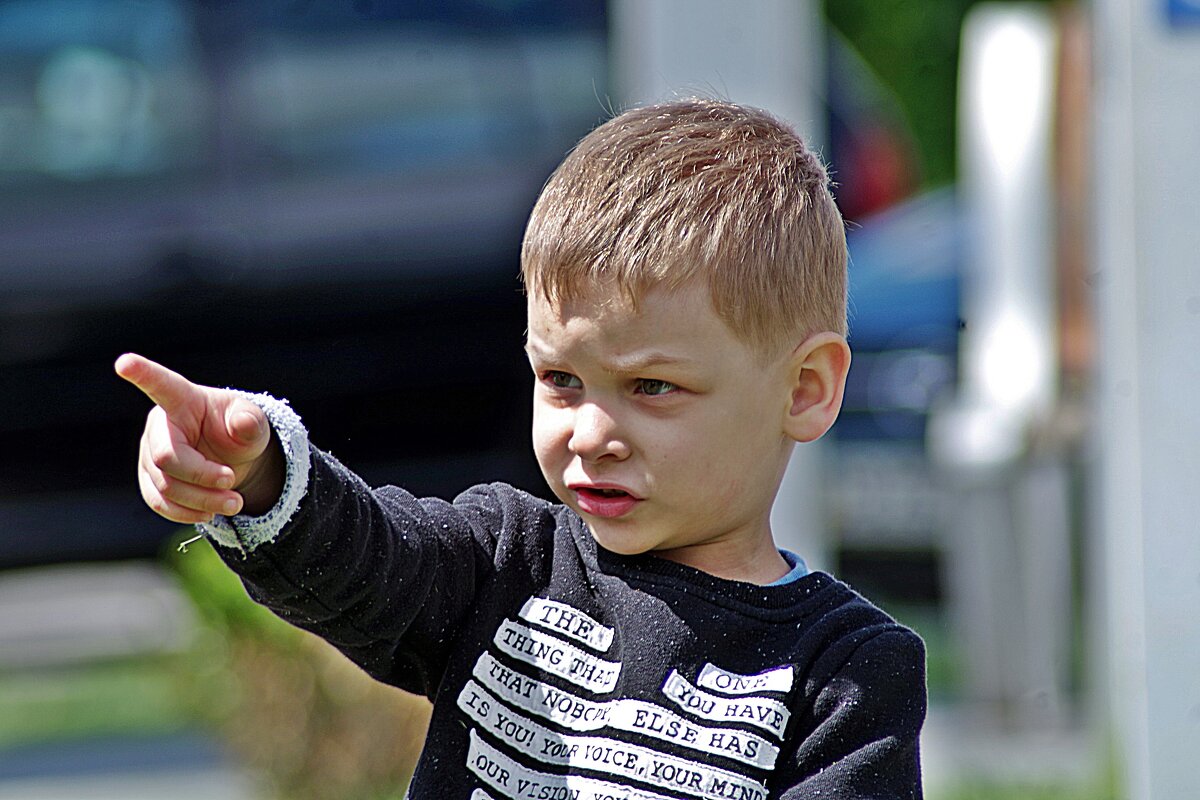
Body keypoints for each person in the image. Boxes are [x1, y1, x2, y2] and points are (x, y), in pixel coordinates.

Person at [116, 98, 926, 799]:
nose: (591, 434)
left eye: (652, 388)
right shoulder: (507, 564)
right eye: (563, 379)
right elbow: (360, 557)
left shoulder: (844, 674)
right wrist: (257, 471)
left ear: (805, 389)